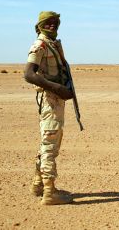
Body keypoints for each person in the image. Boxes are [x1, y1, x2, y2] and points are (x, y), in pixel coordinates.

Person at [23, 11, 74, 205]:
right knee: (50, 144)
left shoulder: (53, 44)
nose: (53, 26)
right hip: (50, 99)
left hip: (55, 100)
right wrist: (57, 88)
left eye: (55, 23)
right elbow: (28, 74)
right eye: (48, 23)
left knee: (49, 141)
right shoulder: (40, 45)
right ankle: (49, 192)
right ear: (40, 25)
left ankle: (38, 184)